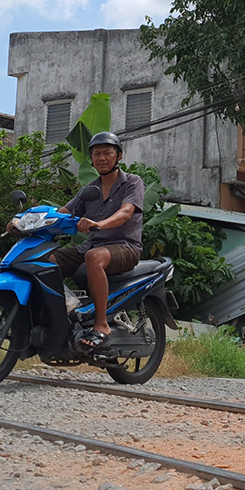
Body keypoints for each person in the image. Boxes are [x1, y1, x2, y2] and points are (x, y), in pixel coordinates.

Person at [53, 131, 144, 349]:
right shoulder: (89, 189)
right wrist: (26, 220)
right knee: (45, 259)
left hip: (124, 247)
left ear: (119, 156)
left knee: (94, 257)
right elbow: (63, 212)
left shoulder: (132, 182)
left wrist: (99, 224)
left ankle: (101, 324)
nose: (101, 158)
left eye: (107, 153)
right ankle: (67, 305)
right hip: (91, 245)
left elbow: (126, 212)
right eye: (96, 154)